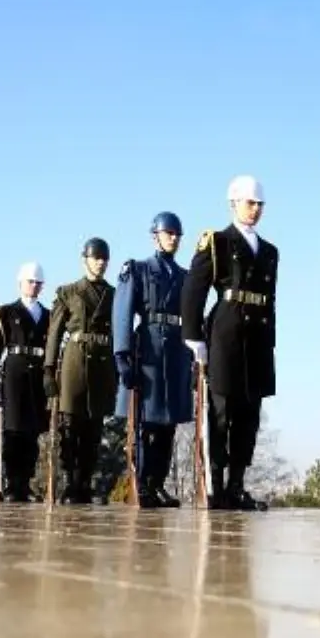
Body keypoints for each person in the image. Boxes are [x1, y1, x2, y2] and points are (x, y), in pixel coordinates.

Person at [181, 175, 277, 511]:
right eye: (250, 203)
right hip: (225, 336)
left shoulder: (269, 251)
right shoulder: (217, 242)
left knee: (249, 415)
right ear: (233, 203)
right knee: (221, 413)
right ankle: (216, 486)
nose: (255, 210)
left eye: (259, 204)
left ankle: (237, 485)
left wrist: (271, 344)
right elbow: (194, 289)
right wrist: (193, 336)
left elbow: (270, 300)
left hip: (258, 340)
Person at [113, 211, 193, 508]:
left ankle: (157, 483)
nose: (173, 238)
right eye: (168, 233)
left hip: (175, 353)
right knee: (146, 423)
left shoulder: (185, 276)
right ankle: (142, 482)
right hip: (148, 351)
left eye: (176, 235)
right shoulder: (138, 269)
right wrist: (122, 356)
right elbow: (122, 314)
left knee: (168, 424)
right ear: (155, 236)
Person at [44, 238, 118, 504]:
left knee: (94, 427)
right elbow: (54, 334)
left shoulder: (113, 294)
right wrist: (49, 369)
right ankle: (69, 480)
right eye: (96, 258)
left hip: (102, 364)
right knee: (70, 425)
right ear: (85, 260)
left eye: (104, 259)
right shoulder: (69, 292)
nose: (100, 263)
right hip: (75, 362)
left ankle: (85, 481)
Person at [0, 261, 52, 502]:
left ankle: (25, 483)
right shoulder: (5, 313)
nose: (34, 286)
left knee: (32, 433)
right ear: (20, 283)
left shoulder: (48, 315)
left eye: (38, 283)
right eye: (30, 281)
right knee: (13, 430)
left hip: (37, 376)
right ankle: (12, 484)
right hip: (13, 374)